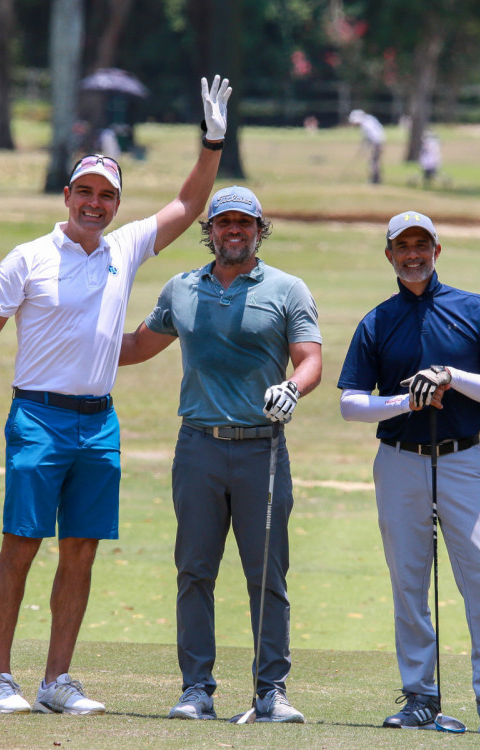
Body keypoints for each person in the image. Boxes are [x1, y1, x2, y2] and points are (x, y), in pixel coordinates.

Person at [0, 75, 232, 716]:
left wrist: (212, 141)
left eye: (108, 196)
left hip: (98, 422)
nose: (96, 204)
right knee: (21, 543)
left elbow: (190, 205)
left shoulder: (125, 248)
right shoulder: (27, 257)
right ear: (67, 194)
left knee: (80, 549)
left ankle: (56, 681)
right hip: (37, 417)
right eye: (86, 191)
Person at [118, 186, 322, 723]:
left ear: (259, 229)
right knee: (194, 570)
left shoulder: (287, 289)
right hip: (198, 448)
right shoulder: (182, 289)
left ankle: (270, 691)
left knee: (266, 576)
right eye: (224, 222)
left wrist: (294, 388)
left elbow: (310, 360)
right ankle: (196, 690)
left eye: (245, 223)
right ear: (209, 230)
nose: (235, 231)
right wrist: (69, 337)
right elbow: (138, 345)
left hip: (263, 450)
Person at [337, 211, 480, 734]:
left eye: (422, 244)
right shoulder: (377, 320)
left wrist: (449, 376)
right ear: (389, 255)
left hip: (462, 459)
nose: (412, 254)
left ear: (437, 250)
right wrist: (404, 402)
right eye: (402, 247)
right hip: (399, 461)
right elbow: (351, 404)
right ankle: (420, 695)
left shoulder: (475, 309)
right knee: (409, 582)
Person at [348, 109, 385, 185]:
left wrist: (369, 146)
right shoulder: (369, 119)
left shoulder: (366, 124)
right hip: (379, 142)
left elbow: (372, 136)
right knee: (374, 161)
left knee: (373, 162)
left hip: (376, 143)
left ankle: (375, 180)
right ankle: (375, 179)